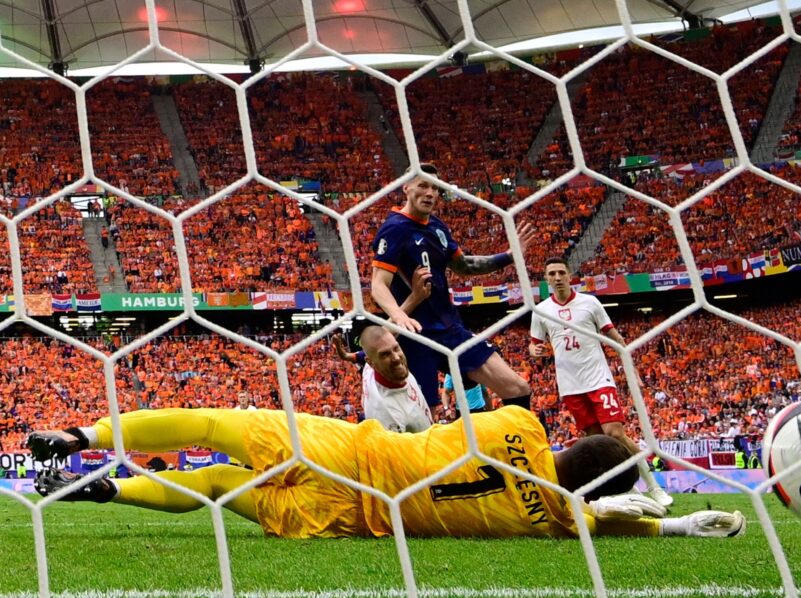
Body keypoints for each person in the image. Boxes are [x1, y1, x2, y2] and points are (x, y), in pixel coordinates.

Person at [27, 407, 746, 540]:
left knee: (209, 427)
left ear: (574, 441)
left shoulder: (521, 426)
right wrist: (676, 523)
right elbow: (601, 521)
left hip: (352, 451)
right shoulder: (562, 521)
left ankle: (82, 437)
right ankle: (111, 488)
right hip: (358, 515)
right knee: (217, 483)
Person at [370, 164, 534, 412]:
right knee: (427, 416)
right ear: (406, 188)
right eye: (423, 185)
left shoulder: (437, 227)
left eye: (435, 188)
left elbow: (464, 266)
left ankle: (520, 437)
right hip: (415, 335)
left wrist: (509, 256)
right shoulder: (395, 229)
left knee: (517, 388)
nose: (430, 193)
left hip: (450, 329)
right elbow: (378, 284)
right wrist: (398, 315)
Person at [529, 257, 673, 507]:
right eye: (552, 273)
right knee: (598, 442)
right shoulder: (541, 311)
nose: (557, 277)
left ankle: (654, 486)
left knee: (615, 433)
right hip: (570, 384)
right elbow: (534, 345)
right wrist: (535, 351)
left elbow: (616, 338)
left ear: (569, 275)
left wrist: (632, 371)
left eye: (561, 272)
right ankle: (630, 491)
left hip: (598, 378)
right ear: (546, 279)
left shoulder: (590, 303)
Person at [334, 325, 433, 434]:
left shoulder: (371, 366)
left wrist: (345, 355)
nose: (396, 358)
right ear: (371, 362)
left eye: (396, 348)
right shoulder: (388, 415)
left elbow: (379, 337)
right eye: (385, 354)